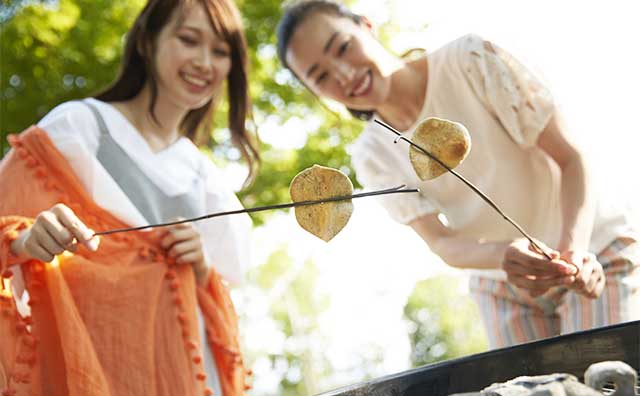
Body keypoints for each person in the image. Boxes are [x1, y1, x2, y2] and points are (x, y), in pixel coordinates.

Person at [276, 0, 640, 348]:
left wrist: (573, 253)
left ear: (366, 27)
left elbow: (571, 157)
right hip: (502, 285)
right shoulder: (373, 155)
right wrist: (503, 255)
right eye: (321, 77)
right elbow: (442, 243)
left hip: (591, 247)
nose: (344, 74)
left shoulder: (470, 59)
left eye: (342, 47)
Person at [0, 0, 259, 395]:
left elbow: (224, 303)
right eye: (189, 40)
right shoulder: (80, 126)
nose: (205, 62)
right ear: (147, 41)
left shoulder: (207, 179)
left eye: (221, 51)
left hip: (184, 378)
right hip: (89, 365)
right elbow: (10, 223)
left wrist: (202, 266)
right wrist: (27, 238)